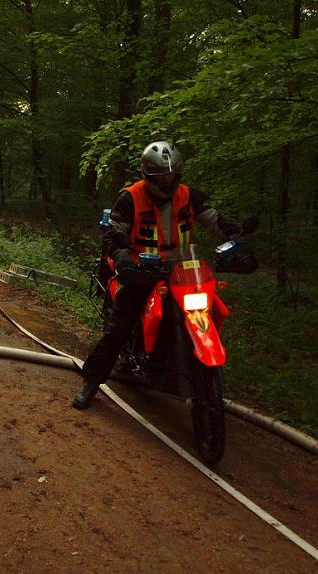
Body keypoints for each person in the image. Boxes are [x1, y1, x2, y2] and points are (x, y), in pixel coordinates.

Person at [72, 141, 241, 410]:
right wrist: (124, 258)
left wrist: (235, 235)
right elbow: (113, 234)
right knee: (119, 329)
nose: (167, 179)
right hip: (142, 272)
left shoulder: (188, 195)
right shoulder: (130, 197)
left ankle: (188, 372)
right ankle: (91, 382)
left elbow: (214, 220)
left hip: (183, 271)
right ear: (149, 174)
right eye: (162, 174)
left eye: (171, 174)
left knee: (204, 312)